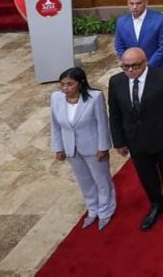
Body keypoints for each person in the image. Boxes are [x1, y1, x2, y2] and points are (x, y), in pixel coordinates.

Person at [108, 47, 163, 231]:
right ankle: (156, 204)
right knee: (146, 176)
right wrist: (119, 142)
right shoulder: (116, 81)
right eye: (125, 67)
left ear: (145, 61)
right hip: (135, 141)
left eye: (135, 66)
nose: (130, 70)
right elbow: (115, 114)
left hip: (162, 138)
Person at [50, 67, 116, 231]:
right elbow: (55, 125)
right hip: (71, 147)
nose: (65, 88)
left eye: (69, 84)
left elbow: (102, 123)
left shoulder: (95, 97)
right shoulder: (56, 98)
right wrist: (59, 147)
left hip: (93, 147)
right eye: (62, 85)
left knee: (101, 180)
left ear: (80, 83)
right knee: (84, 180)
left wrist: (103, 147)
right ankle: (93, 208)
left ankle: (106, 209)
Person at [113, 0, 163, 69]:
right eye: (131, 3)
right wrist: (130, 63)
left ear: (146, 3)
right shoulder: (121, 21)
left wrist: (146, 67)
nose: (134, 7)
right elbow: (119, 46)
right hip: (133, 70)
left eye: (138, 3)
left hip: (158, 68)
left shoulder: (160, 20)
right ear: (127, 3)